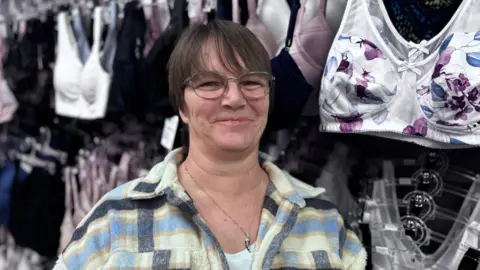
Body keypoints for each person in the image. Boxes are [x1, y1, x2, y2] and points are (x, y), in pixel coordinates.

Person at [54, 20, 366, 270]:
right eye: (209, 83)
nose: (234, 98)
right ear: (181, 107)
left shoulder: (325, 223)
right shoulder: (116, 220)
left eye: (251, 82)